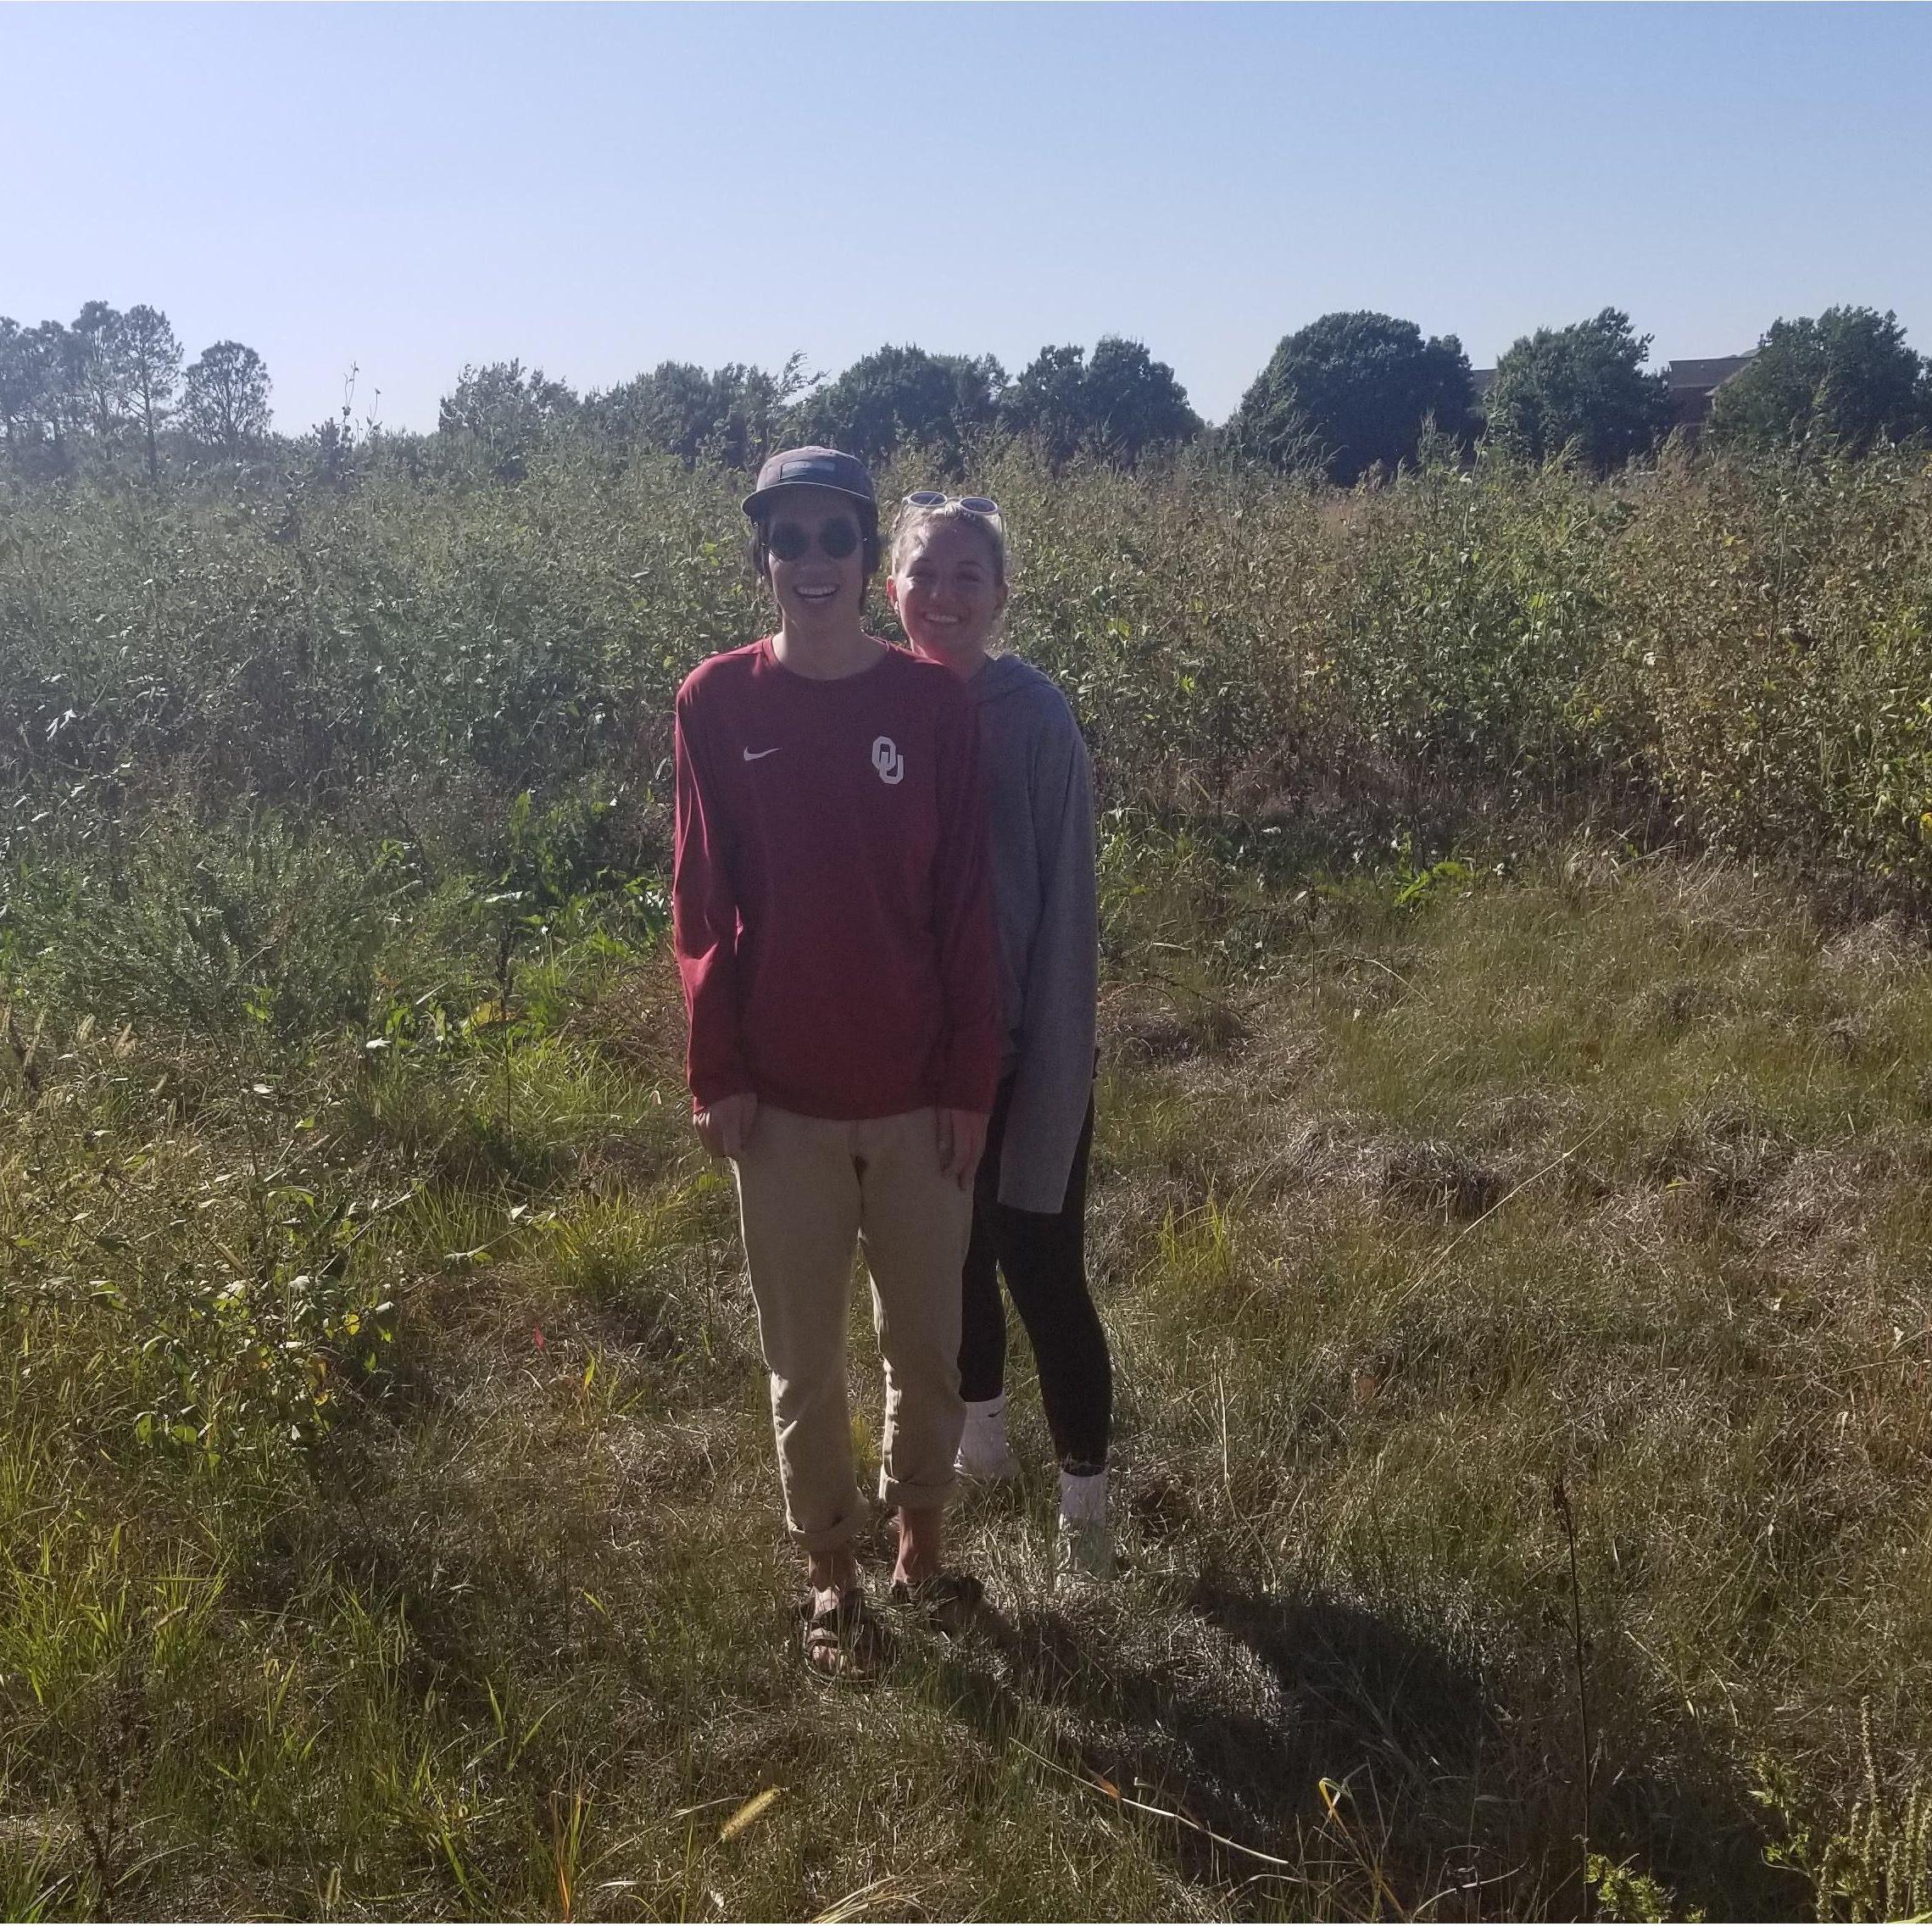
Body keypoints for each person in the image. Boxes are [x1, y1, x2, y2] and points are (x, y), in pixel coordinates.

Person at [671, 448, 999, 1677]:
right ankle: (830, 1575)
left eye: (834, 539)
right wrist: (719, 1071)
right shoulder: (716, 702)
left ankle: (921, 1549)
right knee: (802, 1359)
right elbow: (702, 900)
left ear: (868, 558)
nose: (812, 563)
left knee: (927, 1346)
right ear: (761, 558)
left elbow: (967, 908)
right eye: (788, 540)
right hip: (784, 1107)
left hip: (919, 1097)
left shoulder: (933, 708)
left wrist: (971, 1082)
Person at [884, 490, 1116, 1583]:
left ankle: (1085, 1504)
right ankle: (982, 1433)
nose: (944, 596)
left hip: (1029, 1053)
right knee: (951, 1254)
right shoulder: (874, 706)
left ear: (1001, 595)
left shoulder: (1035, 718)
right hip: (922, 1058)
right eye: (926, 574)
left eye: (967, 576)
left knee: (1042, 1264)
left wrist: (1063, 1064)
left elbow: (1067, 905)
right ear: (895, 588)